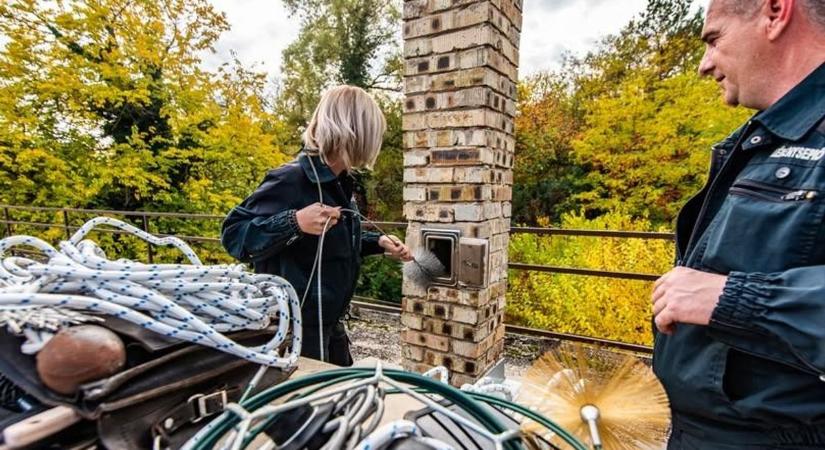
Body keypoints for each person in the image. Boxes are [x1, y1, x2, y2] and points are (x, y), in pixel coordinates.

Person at [651, 0, 825, 448]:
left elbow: (726, 297)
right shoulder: (763, 139)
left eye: (714, 39)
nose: (704, 66)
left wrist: (738, 300)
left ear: (774, 12)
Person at [221, 85, 412, 366]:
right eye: (374, 131)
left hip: (331, 327)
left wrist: (377, 243)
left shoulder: (340, 183)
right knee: (309, 406)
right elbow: (234, 235)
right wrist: (294, 222)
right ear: (354, 131)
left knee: (342, 399)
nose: (377, 141)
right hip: (295, 333)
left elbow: (336, 241)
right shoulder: (291, 179)